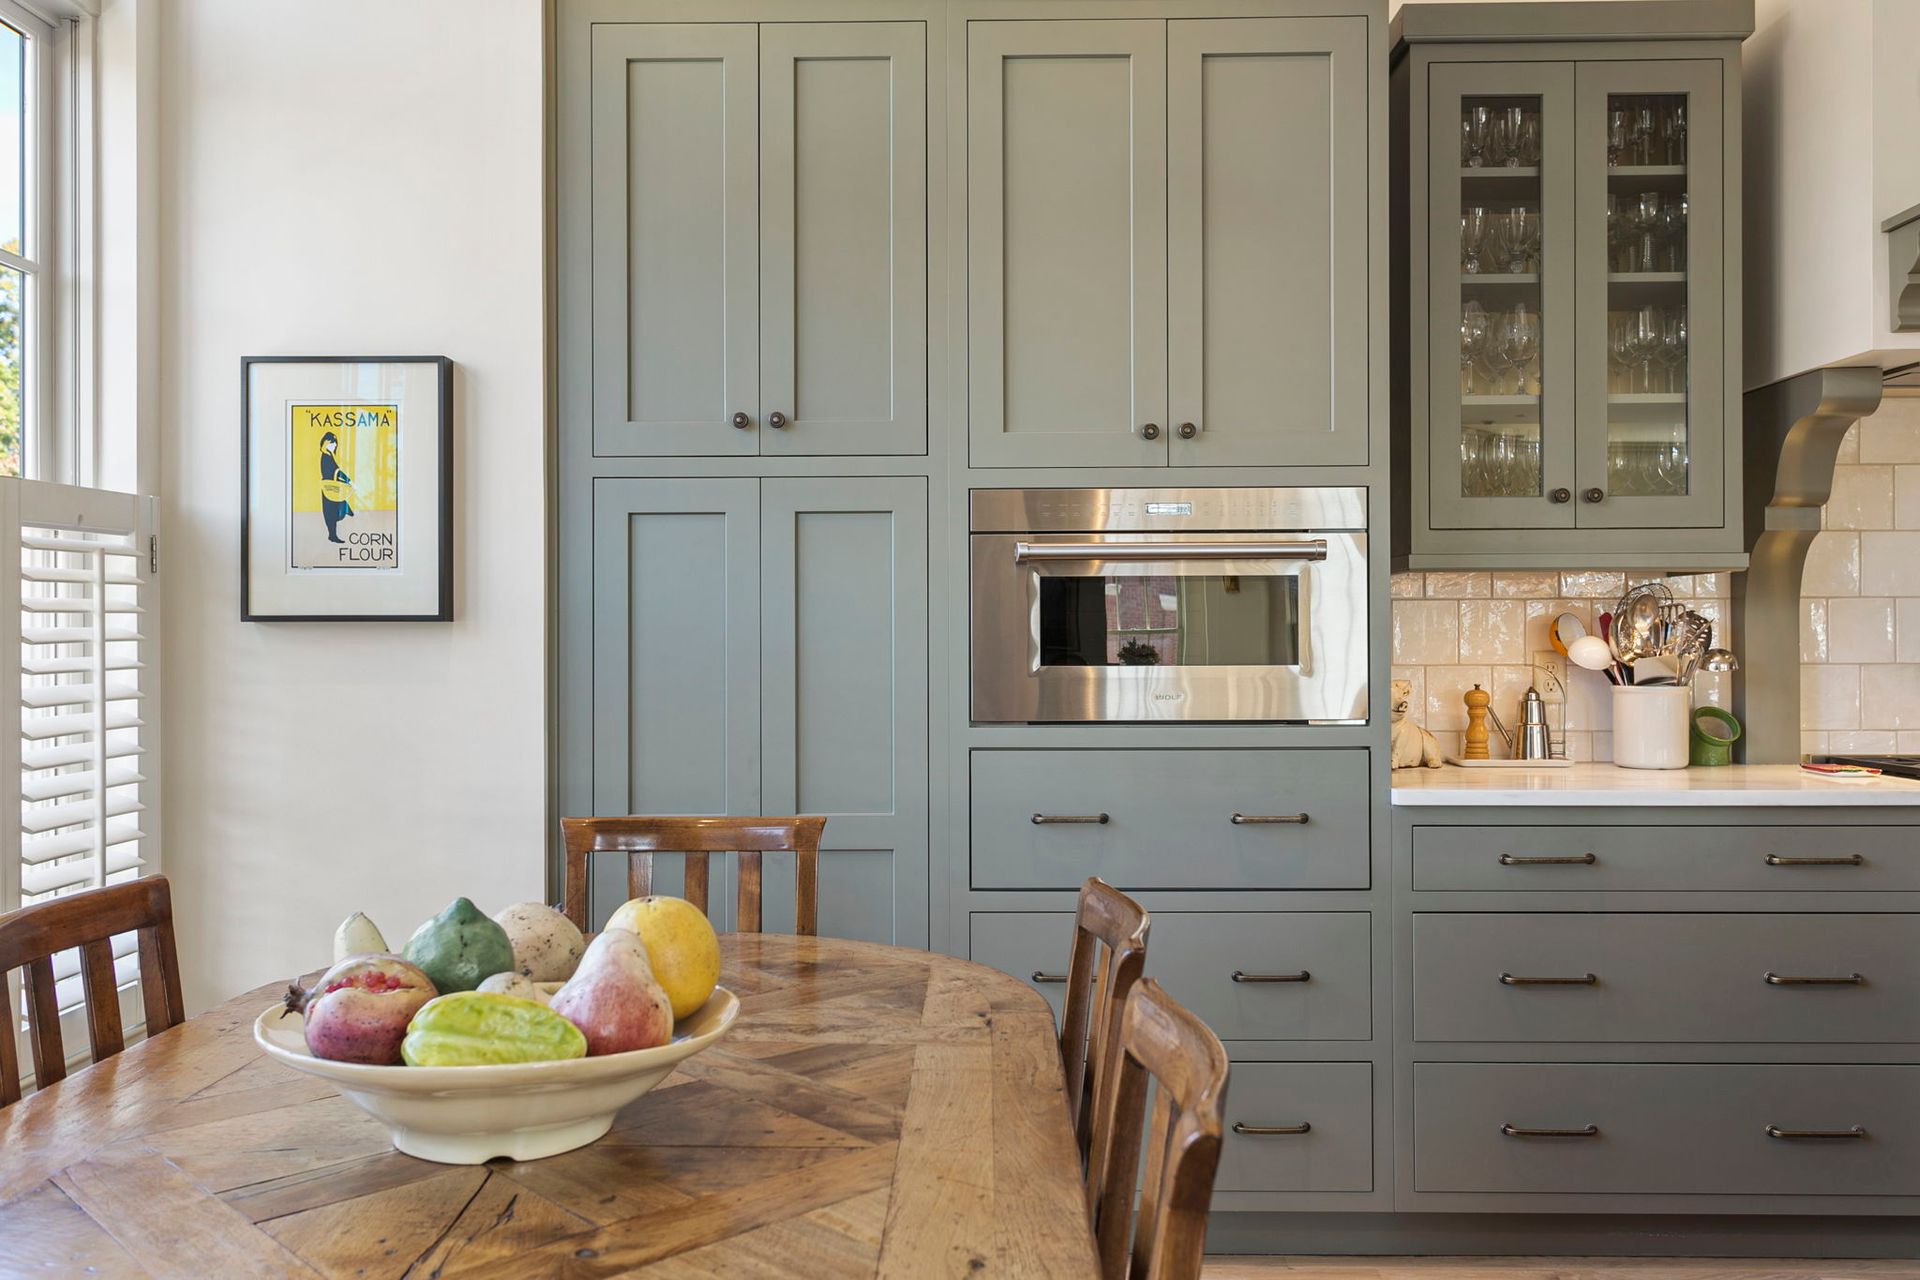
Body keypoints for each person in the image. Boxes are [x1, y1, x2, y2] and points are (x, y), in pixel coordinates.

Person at [319, 431, 353, 545]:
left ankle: (332, 535)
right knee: (330, 512)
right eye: (332, 443)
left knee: (332, 511)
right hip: (330, 488)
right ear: (326, 443)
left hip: (330, 487)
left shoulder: (329, 456)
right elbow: (336, 472)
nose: (334, 446)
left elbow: (336, 472)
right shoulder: (326, 457)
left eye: (335, 444)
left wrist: (347, 480)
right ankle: (332, 535)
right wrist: (349, 481)